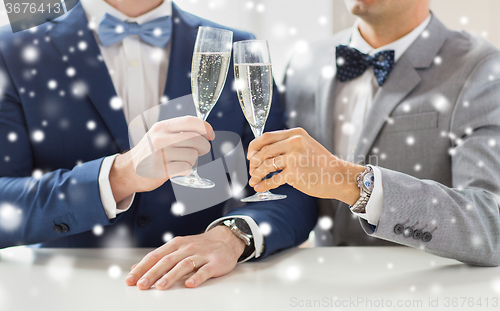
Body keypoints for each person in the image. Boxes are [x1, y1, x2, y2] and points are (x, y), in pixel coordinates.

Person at [0, 0, 317, 290]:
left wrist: (234, 235)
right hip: (62, 291)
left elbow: (290, 187)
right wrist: (118, 176)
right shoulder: (13, 47)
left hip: (203, 291)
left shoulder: (235, 46)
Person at [247, 0, 500, 266]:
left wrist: (350, 182)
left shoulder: (480, 69)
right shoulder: (303, 64)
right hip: (317, 286)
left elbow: (489, 227)